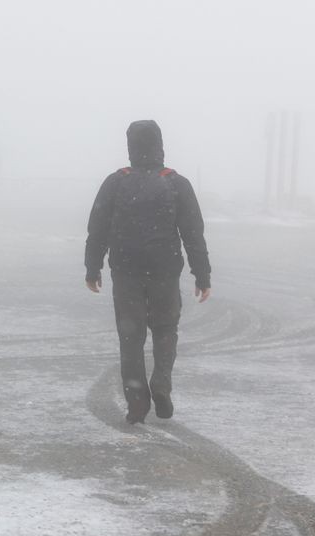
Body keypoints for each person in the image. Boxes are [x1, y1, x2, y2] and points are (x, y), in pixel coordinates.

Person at [84, 120, 212, 424]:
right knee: (166, 330)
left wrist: (93, 267)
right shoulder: (176, 183)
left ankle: (137, 404)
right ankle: (161, 382)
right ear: (160, 145)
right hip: (164, 272)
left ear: (130, 147)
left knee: (131, 338)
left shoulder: (116, 182)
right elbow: (193, 233)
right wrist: (202, 275)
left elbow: (97, 228)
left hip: (126, 272)